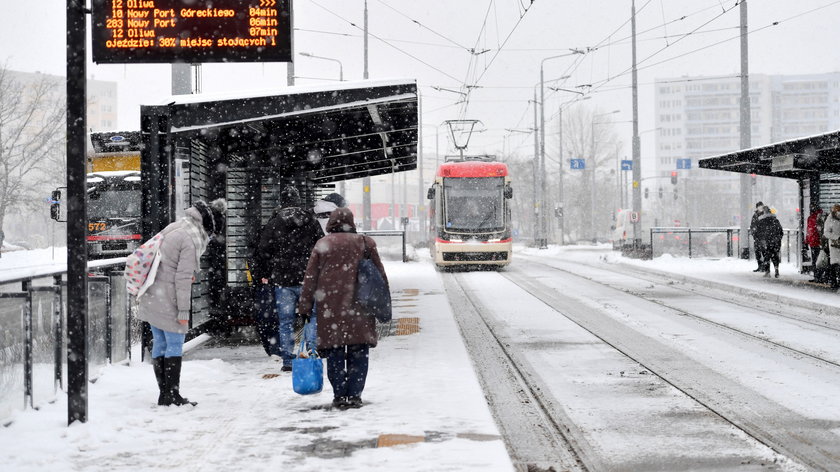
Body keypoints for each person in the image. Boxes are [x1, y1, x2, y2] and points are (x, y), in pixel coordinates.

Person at [137, 198, 226, 407]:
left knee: (160, 343)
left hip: (153, 292)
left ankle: (164, 394)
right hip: (169, 297)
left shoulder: (176, 227)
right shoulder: (190, 239)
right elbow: (182, 278)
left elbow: (167, 263)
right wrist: (184, 310)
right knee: (175, 344)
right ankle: (173, 395)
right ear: (209, 225)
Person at [297, 207, 388, 410]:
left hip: (331, 309)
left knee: (335, 353)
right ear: (352, 222)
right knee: (359, 352)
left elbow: (310, 279)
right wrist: (383, 305)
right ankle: (355, 395)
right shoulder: (365, 243)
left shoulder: (322, 244)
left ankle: (339, 395)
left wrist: (304, 306)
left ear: (331, 222)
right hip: (360, 308)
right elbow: (379, 277)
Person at [254, 185, 323, 371]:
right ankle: (312, 353)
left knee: (285, 322)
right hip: (308, 279)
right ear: (298, 200)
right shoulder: (311, 220)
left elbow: (263, 250)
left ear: (282, 201)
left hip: (283, 280)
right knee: (310, 317)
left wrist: (266, 273)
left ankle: (287, 359)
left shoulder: (275, 222)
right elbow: (321, 245)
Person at [753, 205, 783, 278]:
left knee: (766, 256)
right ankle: (776, 270)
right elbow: (781, 232)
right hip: (775, 242)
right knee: (775, 256)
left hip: (766, 242)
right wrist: (778, 239)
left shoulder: (761, 221)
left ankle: (767, 272)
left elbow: (757, 232)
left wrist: (759, 240)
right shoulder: (775, 220)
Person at [806, 202, 825, 282]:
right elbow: (809, 230)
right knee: (816, 260)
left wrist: (807, 240)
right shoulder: (812, 217)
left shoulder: (817, 217)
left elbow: (810, 230)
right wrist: (807, 241)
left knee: (818, 260)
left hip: (816, 241)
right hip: (814, 242)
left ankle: (818, 276)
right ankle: (817, 276)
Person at [822, 204, 840, 289]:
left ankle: (837, 281)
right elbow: (826, 233)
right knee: (834, 264)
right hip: (834, 245)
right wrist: (836, 237)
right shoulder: (830, 219)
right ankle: (833, 282)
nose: (837, 211)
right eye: (836, 210)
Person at [748, 201, 765, 272]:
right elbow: (752, 225)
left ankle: (764, 266)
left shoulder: (765, 214)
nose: (760, 208)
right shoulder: (755, 215)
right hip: (757, 237)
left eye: (761, 206)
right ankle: (760, 266)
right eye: (759, 206)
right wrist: (753, 232)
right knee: (757, 251)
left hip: (763, 237)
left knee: (764, 251)